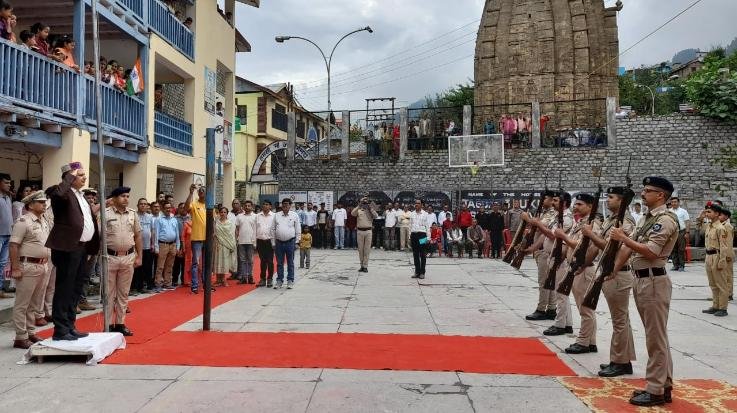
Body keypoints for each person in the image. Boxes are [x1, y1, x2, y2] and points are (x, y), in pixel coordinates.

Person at [609, 177, 679, 407]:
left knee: (655, 338)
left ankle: (656, 388)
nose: (643, 193)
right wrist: (614, 269)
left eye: (648, 190)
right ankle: (664, 384)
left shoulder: (665, 220)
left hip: (654, 280)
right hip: (643, 280)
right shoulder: (647, 219)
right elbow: (630, 248)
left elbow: (651, 251)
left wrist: (623, 238)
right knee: (657, 335)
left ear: (661, 195)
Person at [582, 186, 637, 377]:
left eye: (612, 197)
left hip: (617, 274)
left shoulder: (625, 221)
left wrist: (591, 235)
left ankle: (620, 362)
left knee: (619, 321)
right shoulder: (612, 220)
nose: (608, 200)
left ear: (622, 201)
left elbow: (614, 248)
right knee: (621, 319)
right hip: (609, 271)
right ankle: (622, 359)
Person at [45, 162, 99, 341]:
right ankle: (60, 329)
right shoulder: (60, 192)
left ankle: (70, 325)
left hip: (82, 247)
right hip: (68, 248)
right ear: (70, 177)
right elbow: (59, 195)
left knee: (76, 288)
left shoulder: (80, 195)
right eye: (80, 174)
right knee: (64, 288)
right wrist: (69, 175)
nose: (84, 177)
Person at [553, 193, 600, 354]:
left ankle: (583, 342)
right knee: (584, 308)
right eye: (576, 203)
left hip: (584, 268)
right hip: (575, 268)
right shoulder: (580, 222)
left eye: (580, 204)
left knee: (585, 309)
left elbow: (580, 245)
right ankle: (590, 341)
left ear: (590, 207)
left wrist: (563, 236)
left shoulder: (592, 224)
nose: (576, 206)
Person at [525, 191, 574, 334]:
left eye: (556, 201)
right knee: (561, 293)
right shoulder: (558, 216)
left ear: (564, 203)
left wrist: (537, 223)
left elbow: (551, 234)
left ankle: (560, 325)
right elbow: (547, 236)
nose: (553, 203)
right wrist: (533, 248)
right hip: (551, 255)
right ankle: (567, 324)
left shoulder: (567, 218)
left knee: (560, 294)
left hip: (560, 258)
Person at [8, 190, 50, 348]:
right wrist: (15, 268)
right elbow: (13, 245)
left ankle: (30, 332)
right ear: (31, 205)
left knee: (35, 302)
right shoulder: (23, 221)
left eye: (45, 202)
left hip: (42, 265)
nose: (44, 204)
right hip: (28, 265)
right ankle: (20, 336)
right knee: (22, 303)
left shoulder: (43, 221)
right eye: (41, 202)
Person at [104, 187, 142, 336]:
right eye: (122, 196)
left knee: (123, 293)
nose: (126, 198)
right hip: (110, 257)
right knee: (108, 293)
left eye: (127, 196)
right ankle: (107, 324)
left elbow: (138, 236)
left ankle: (120, 323)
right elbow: (99, 236)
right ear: (113, 199)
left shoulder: (132, 214)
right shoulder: (105, 214)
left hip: (128, 257)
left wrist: (139, 256)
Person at [522, 190, 557, 321]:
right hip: (540, 250)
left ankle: (542, 309)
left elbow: (541, 227)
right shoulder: (543, 212)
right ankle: (552, 308)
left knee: (543, 281)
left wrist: (528, 220)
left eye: (546, 199)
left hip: (544, 251)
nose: (543, 201)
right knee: (548, 282)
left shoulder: (552, 214)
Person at [701, 203, 730, 317]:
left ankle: (723, 308)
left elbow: (723, 246)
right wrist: (701, 216)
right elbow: (699, 225)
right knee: (712, 283)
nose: (707, 214)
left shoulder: (720, 228)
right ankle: (715, 306)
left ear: (717, 214)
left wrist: (722, 261)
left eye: (709, 212)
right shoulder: (709, 226)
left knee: (721, 284)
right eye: (706, 212)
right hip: (709, 256)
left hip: (717, 256)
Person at [272, 198, 301, 289]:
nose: (285, 205)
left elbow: (298, 229)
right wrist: (273, 242)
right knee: (279, 263)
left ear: (290, 205)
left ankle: (290, 280)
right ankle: (279, 281)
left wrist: (297, 242)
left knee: (290, 262)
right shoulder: (277, 215)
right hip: (279, 243)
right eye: (283, 204)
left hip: (290, 242)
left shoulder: (294, 215)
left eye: (287, 204)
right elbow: (273, 229)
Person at [153, 201, 180, 292]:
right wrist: (156, 247)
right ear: (163, 209)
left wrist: (178, 245)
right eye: (166, 208)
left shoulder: (174, 219)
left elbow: (177, 233)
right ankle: (158, 284)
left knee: (170, 265)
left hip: (172, 245)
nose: (168, 209)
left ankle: (167, 283)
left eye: (170, 207)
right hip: (162, 245)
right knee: (160, 266)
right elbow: (156, 234)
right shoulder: (159, 220)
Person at [184, 184, 206, 294]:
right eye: (200, 191)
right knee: (195, 263)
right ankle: (194, 286)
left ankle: (206, 285)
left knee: (207, 263)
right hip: (197, 238)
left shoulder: (210, 206)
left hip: (208, 240)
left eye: (204, 190)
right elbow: (185, 208)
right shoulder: (194, 204)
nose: (202, 191)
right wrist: (191, 193)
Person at [132, 198, 154, 294]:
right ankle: (133, 288)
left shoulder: (150, 217)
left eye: (145, 204)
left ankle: (141, 287)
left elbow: (152, 231)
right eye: (141, 204)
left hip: (147, 246)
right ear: (137, 205)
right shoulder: (133, 216)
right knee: (136, 268)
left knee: (146, 268)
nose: (143, 206)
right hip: (136, 247)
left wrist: (153, 243)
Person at [352, 197, 378, 272]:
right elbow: (353, 213)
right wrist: (359, 205)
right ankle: (361, 265)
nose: (365, 204)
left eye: (366, 203)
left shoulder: (371, 211)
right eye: (364, 203)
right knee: (360, 250)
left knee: (367, 250)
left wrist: (370, 208)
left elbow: (376, 216)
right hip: (360, 231)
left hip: (368, 231)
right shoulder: (359, 210)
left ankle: (365, 266)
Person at [213, 206, 237, 287]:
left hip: (227, 245)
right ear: (219, 213)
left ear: (227, 213)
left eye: (224, 212)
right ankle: (218, 280)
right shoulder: (216, 222)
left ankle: (223, 279)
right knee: (217, 261)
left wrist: (232, 246)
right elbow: (214, 233)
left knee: (224, 262)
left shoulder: (230, 223)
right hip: (217, 244)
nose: (223, 214)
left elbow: (232, 235)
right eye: (221, 212)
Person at [235, 200, 257, 284]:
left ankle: (250, 276)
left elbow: (256, 230)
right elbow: (236, 229)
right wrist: (237, 239)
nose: (247, 207)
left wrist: (255, 241)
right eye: (246, 206)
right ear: (243, 207)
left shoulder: (255, 216)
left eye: (249, 206)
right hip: (241, 241)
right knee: (242, 260)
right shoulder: (239, 216)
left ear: (252, 207)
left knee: (250, 260)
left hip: (251, 241)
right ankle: (244, 277)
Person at [715, 206, 734, 300]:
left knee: (728, 275)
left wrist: (728, 255)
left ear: (726, 216)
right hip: (722, 253)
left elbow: (729, 242)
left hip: (727, 254)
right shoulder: (721, 225)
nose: (719, 216)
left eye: (721, 215)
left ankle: (729, 293)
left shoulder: (727, 226)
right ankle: (724, 293)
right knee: (722, 275)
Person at [255, 201, 275, 287]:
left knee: (270, 261)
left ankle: (270, 279)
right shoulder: (257, 216)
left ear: (270, 206)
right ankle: (262, 279)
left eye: (267, 204)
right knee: (262, 261)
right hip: (260, 241)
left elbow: (275, 229)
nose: (265, 206)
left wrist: (275, 242)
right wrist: (254, 242)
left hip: (270, 241)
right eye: (263, 204)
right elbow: (255, 229)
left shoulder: (274, 216)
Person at [409, 199, 431, 279]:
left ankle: (422, 272)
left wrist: (428, 238)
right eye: (415, 203)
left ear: (422, 205)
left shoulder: (425, 214)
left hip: (422, 236)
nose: (416, 204)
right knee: (415, 254)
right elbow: (410, 226)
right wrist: (409, 236)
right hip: (414, 235)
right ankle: (417, 272)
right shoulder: (412, 214)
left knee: (422, 254)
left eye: (418, 203)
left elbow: (428, 227)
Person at [668, 197, 689, 271]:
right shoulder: (669, 211)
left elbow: (687, 222)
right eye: (672, 202)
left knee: (681, 249)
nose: (673, 203)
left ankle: (681, 265)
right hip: (672, 232)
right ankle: (675, 265)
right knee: (673, 249)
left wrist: (687, 232)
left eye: (675, 202)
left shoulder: (683, 211)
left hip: (681, 232)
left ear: (678, 202)